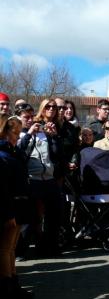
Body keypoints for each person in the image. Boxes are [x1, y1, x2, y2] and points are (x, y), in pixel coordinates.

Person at [17, 99, 63, 257]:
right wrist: (29, 134)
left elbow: (56, 154)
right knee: (30, 218)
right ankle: (21, 250)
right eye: (26, 117)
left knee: (54, 214)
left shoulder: (44, 132)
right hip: (31, 179)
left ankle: (50, 247)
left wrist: (54, 137)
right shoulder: (18, 133)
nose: (30, 120)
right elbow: (19, 153)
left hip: (48, 178)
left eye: (31, 117)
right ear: (19, 119)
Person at [0, 116, 33, 299]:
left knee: (11, 248)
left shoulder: (13, 152)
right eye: (14, 132)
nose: (17, 136)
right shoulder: (2, 153)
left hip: (19, 204)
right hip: (10, 206)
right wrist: (9, 212)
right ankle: (7, 286)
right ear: (4, 132)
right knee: (5, 249)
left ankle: (13, 282)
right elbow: (3, 186)